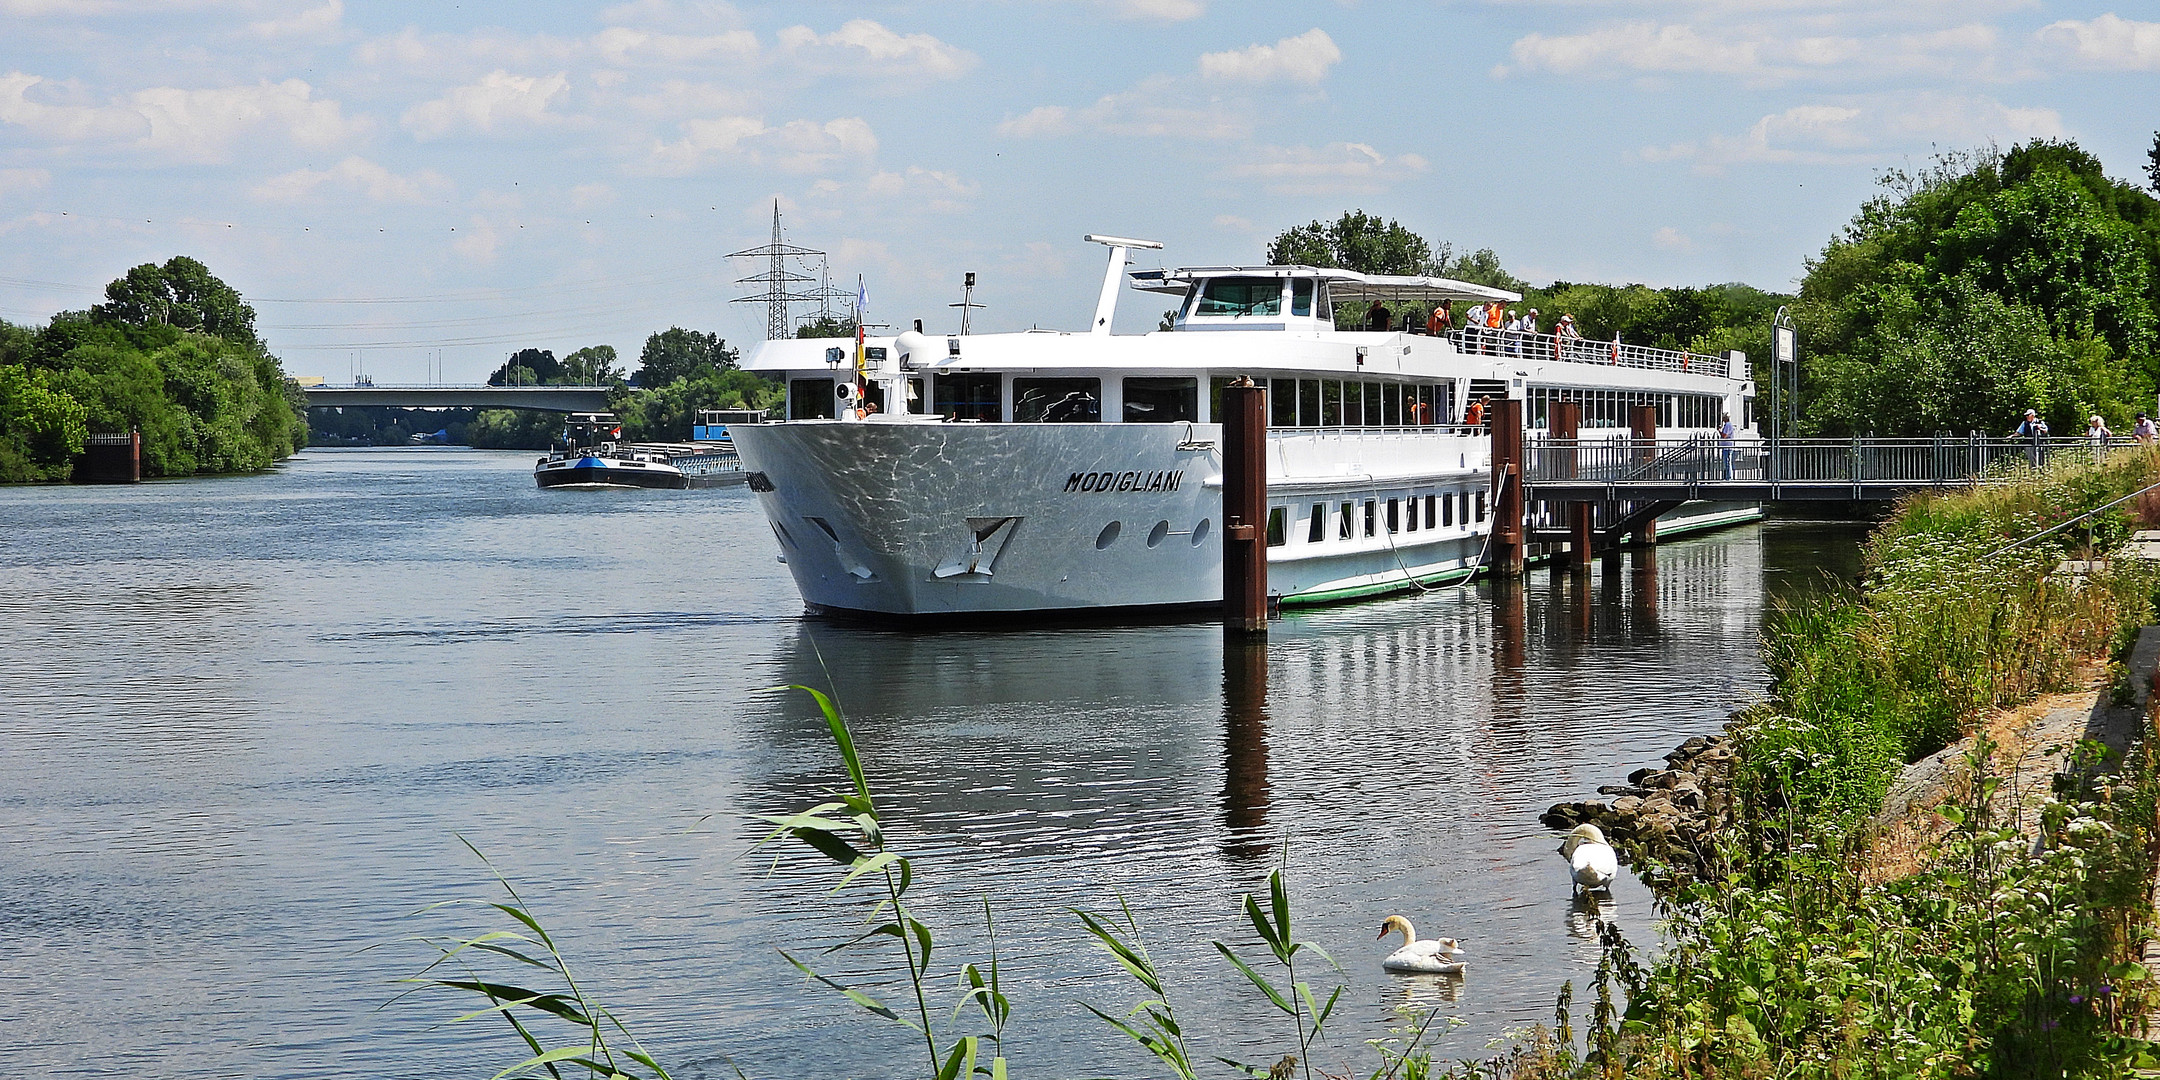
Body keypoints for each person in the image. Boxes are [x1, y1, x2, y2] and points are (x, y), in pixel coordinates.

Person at [1717, 412, 1736, 479]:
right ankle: (1727, 476)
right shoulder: (1727, 425)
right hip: (1726, 447)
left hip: (1728, 447)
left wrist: (1719, 431)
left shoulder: (1728, 425)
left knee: (1728, 462)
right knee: (1726, 462)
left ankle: (1729, 477)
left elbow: (1724, 435)